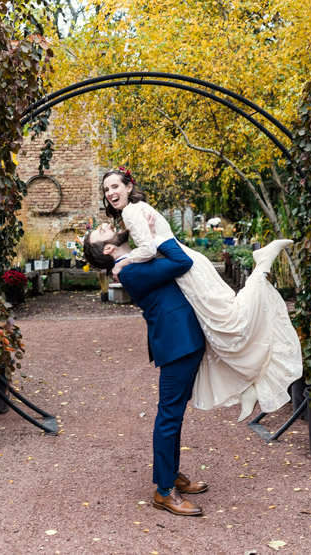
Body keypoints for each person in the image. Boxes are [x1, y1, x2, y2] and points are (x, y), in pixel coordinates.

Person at [91, 167, 303, 422]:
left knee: (227, 320)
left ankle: (262, 266)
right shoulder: (134, 212)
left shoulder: (131, 212)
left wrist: (123, 262)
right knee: (218, 329)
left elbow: (150, 249)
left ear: (128, 186)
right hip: (187, 266)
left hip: (185, 267)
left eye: (115, 186)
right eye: (106, 189)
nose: (111, 192)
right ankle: (251, 384)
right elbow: (150, 248)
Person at [84, 219, 208, 517]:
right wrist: (157, 235)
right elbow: (182, 261)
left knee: (174, 414)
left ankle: (172, 473)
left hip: (183, 340)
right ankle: (164, 492)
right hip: (177, 343)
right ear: (110, 247)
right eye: (102, 231)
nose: (105, 224)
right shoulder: (133, 271)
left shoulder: (133, 263)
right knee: (169, 416)